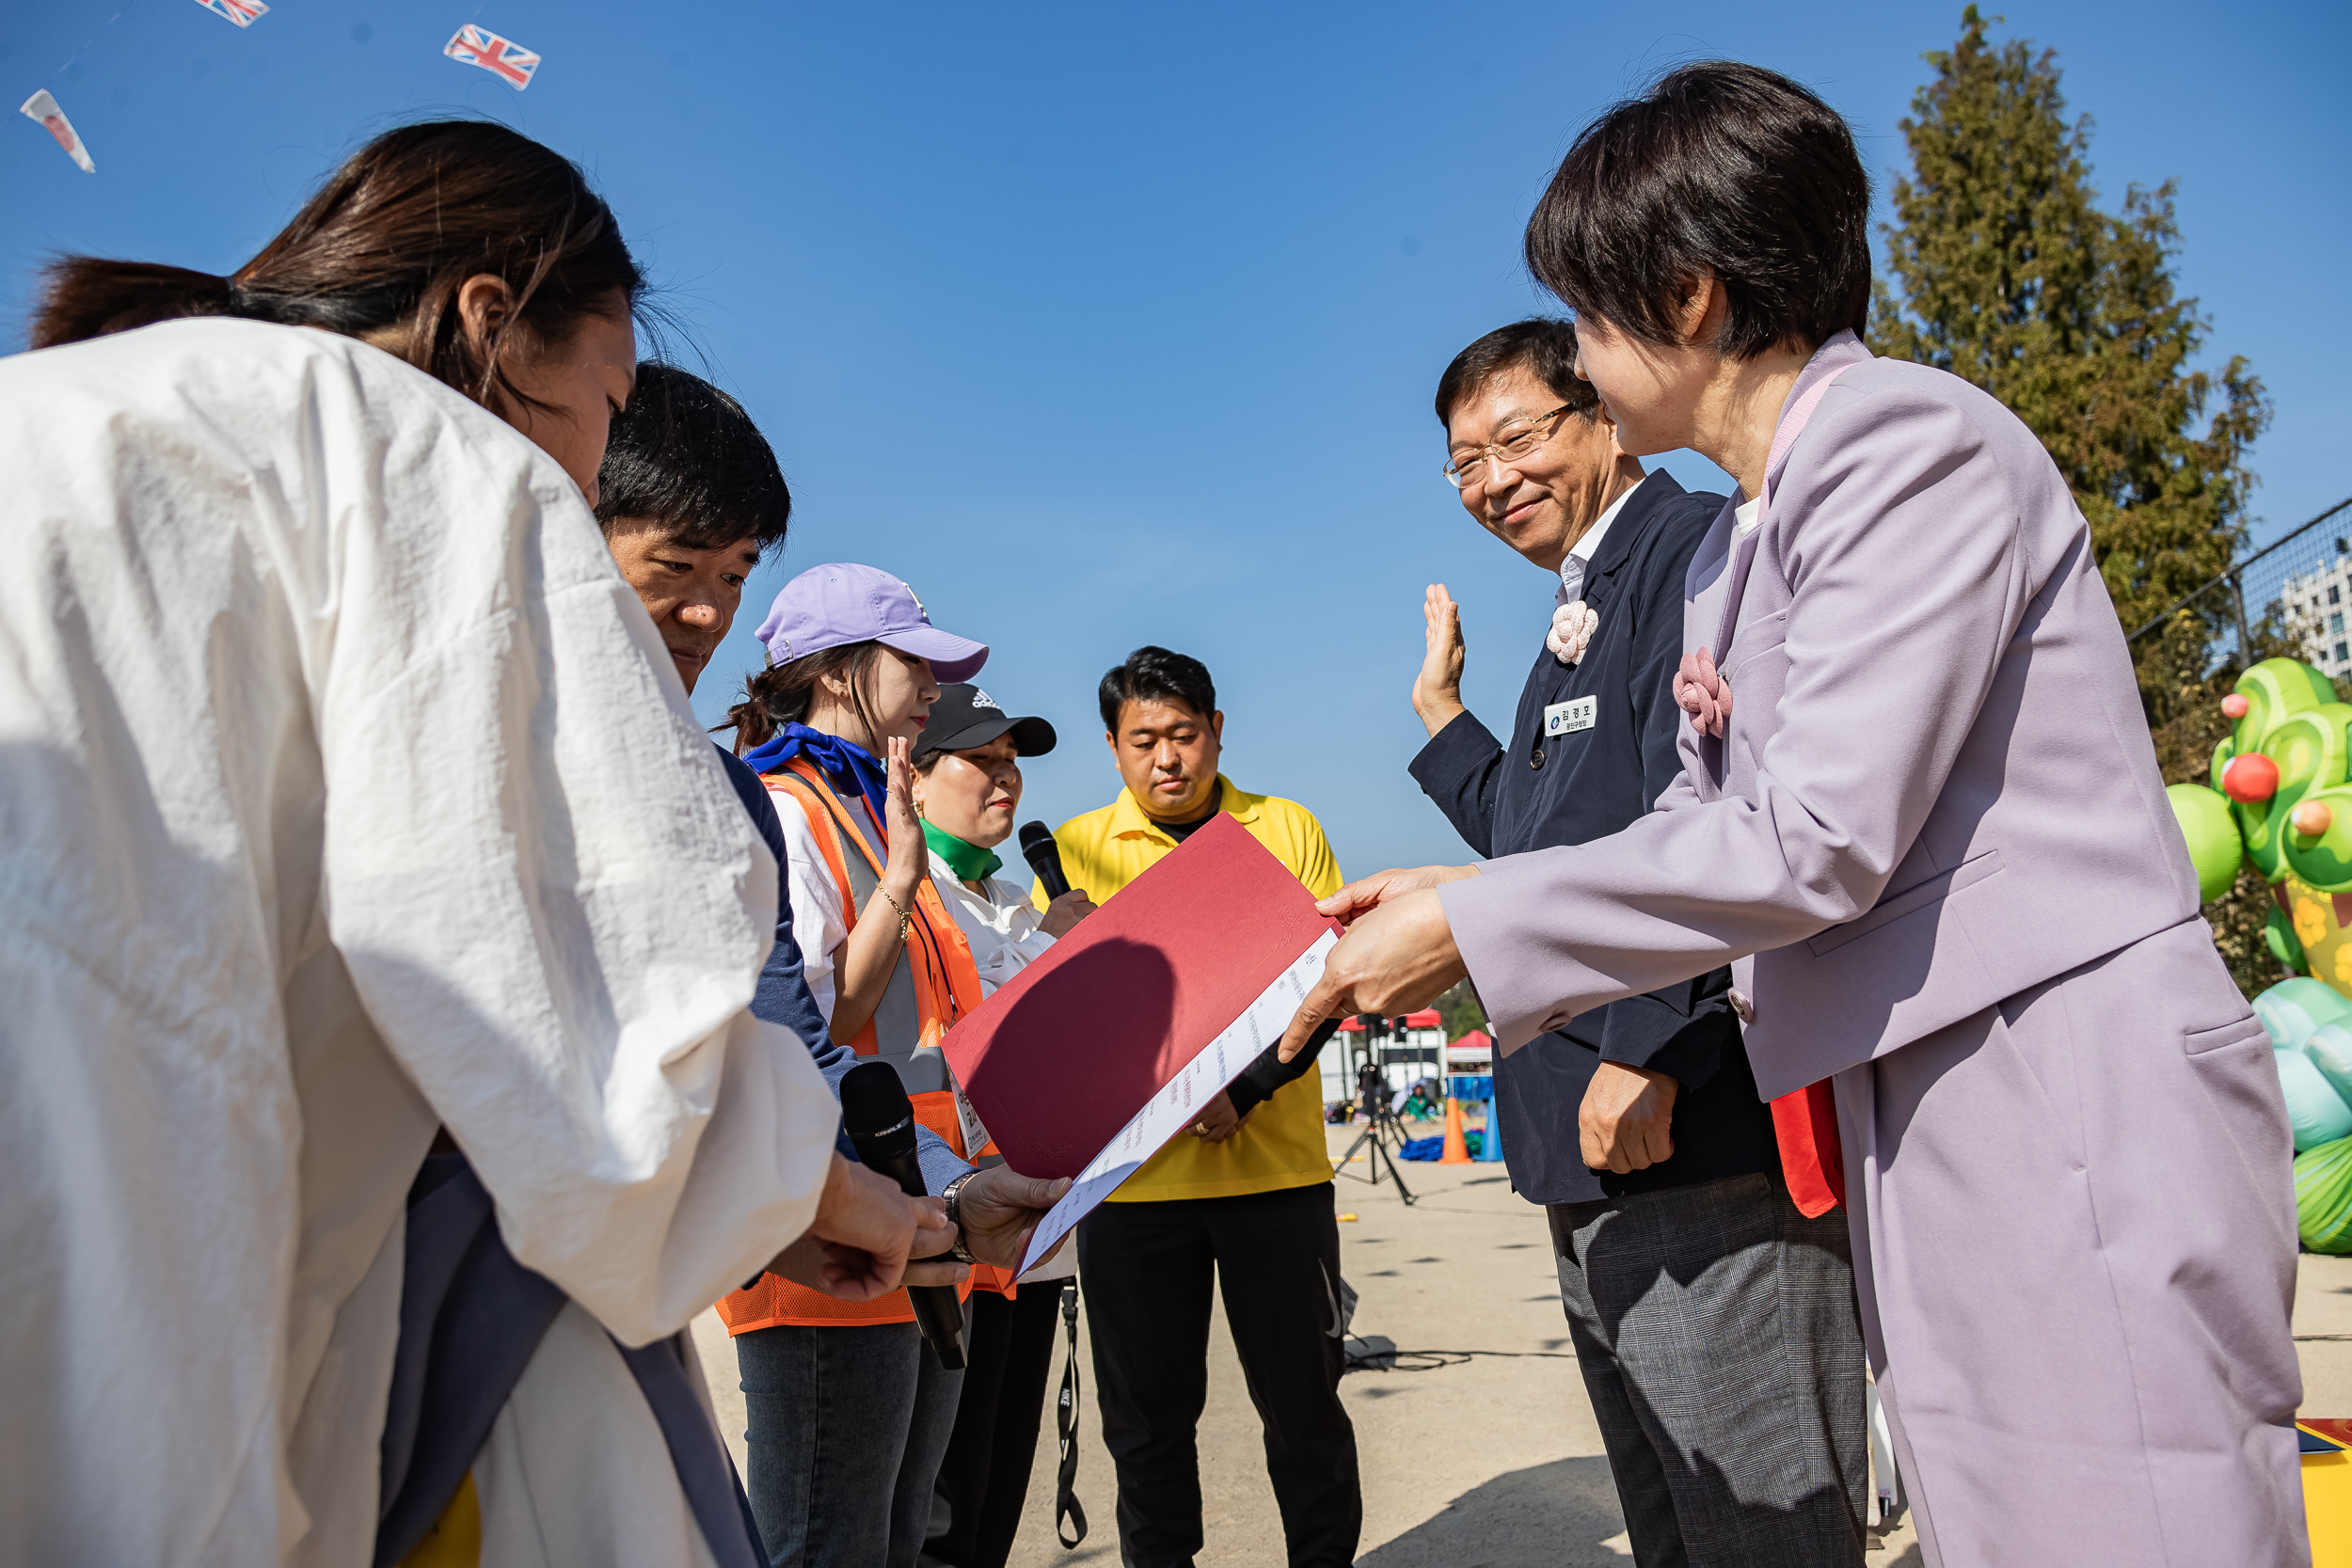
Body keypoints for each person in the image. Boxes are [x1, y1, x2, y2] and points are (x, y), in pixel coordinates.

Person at [1279, 61, 2304, 1567]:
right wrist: (1451, 878)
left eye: (1584, 316)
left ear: (1687, 295)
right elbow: (1688, 823)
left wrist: (1471, 923)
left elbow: (1815, 832)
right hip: (1927, 1087)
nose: (1573, 359)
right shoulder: (1749, 538)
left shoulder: (1907, 445)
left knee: (2129, 1518)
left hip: (2056, 1074)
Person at [0, 122, 935, 1568]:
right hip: (199, 1311)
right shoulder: (440, 460)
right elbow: (592, 1021)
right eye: (602, 407)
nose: (591, 461)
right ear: (489, 326)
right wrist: (825, 1187)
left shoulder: (54, 410)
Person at [1410, 318, 1867, 1563]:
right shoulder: (1584, 598)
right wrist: (1447, 719)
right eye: (1463, 462)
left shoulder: (1687, 553)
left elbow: (1734, 816)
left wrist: (1655, 1046)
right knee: (1675, 1522)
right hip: (1590, 1144)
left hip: (1684, 1133)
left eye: (1518, 437)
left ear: (1602, 413)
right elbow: (1543, 840)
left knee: (1763, 1522)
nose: (1493, 479)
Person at [1044, 647, 1360, 1568]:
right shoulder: (1071, 852)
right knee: (1144, 1427)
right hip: (1132, 1192)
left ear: (1219, 731)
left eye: (1184, 734)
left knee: (1303, 1406)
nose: (1166, 758)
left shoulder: (1285, 827)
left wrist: (1247, 1088)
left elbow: (1331, 983)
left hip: (1277, 1177)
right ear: (1111, 748)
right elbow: (1053, 1031)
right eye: (1143, 739)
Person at [716, 563, 1000, 1568]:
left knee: (895, 1537)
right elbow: (799, 1022)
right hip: (836, 1234)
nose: (934, 685)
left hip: (920, 1214)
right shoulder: (785, 808)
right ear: (834, 672)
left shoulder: (876, 810)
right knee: (825, 1542)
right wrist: (899, 884)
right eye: (913, 662)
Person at [908, 684, 1098, 1568]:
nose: (1005, 780)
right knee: (939, 1515)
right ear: (912, 778)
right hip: (952, 1232)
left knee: (993, 1502)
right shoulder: (908, 900)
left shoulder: (1021, 902)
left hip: (1036, 1243)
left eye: (1011, 763)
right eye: (979, 760)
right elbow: (942, 1056)